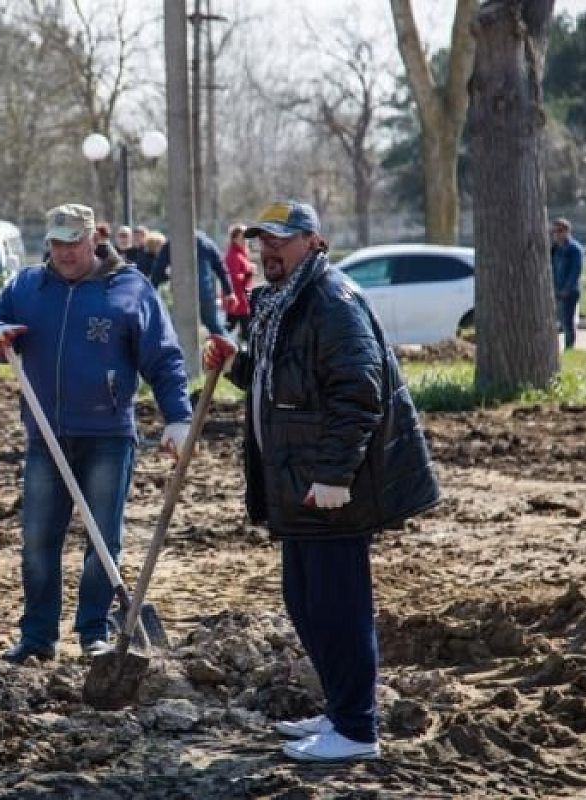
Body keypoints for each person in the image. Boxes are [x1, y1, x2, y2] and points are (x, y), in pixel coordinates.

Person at [202, 200, 440, 764]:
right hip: (297, 486)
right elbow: (282, 377)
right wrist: (236, 362)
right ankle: (339, 710)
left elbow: (359, 391)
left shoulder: (331, 302)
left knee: (337, 607)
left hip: (328, 489)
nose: (268, 251)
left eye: (281, 240)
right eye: (263, 240)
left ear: (313, 241)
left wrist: (335, 475)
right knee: (305, 603)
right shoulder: (286, 303)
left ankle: (356, 728)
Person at [0, 203, 193, 664]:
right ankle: (37, 637)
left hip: (108, 435)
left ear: (95, 237)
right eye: (55, 243)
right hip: (46, 435)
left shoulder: (130, 289)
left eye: (72, 242)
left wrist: (178, 416)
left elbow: (164, 358)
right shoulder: (27, 287)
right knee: (38, 540)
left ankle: (94, 631)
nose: (64, 252)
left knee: (102, 541)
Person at [150, 229, 234, 335]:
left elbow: (158, 271)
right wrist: (229, 292)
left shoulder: (173, 243)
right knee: (213, 325)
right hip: (205, 292)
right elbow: (221, 268)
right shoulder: (207, 242)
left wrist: (152, 289)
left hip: (182, 293)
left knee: (177, 327)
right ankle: (231, 347)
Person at [551, 217, 584, 350]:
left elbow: (575, 271)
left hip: (570, 291)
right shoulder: (554, 249)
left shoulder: (575, 249)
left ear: (566, 231)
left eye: (559, 231)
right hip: (555, 290)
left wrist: (567, 289)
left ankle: (569, 347)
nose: (556, 234)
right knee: (556, 321)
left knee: (568, 321)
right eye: (554, 231)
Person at [224, 223, 256, 340]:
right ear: (234, 239)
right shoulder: (234, 255)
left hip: (242, 301)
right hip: (238, 302)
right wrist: (248, 273)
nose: (246, 241)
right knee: (243, 333)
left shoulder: (241, 254)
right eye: (243, 237)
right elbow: (234, 278)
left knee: (234, 330)